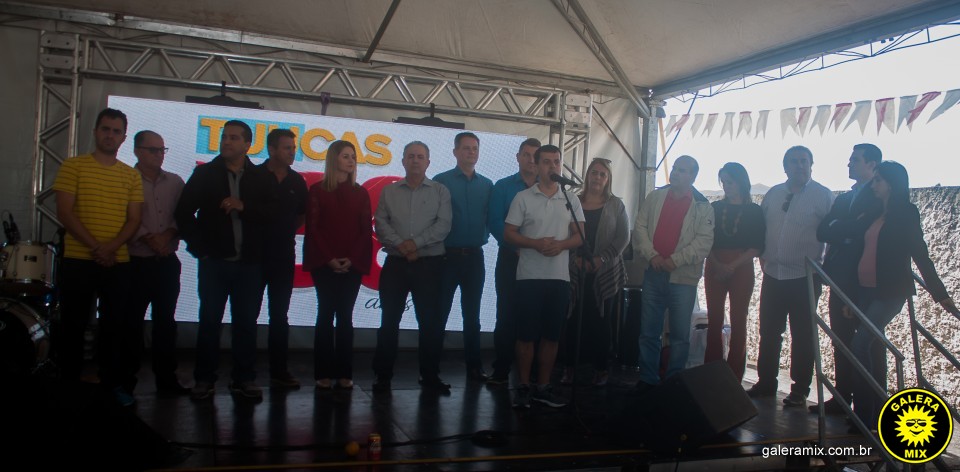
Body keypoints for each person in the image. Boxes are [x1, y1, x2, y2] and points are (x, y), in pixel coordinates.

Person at [848, 161, 956, 428]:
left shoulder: (906, 212)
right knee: (869, 347)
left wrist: (939, 293)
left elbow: (920, 253)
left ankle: (869, 413)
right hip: (865, 288)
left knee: (860, 345)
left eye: (878, 180)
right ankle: (868, 414)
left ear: (892, 184)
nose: (873, 185)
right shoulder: (874, 211)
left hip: (889, 291)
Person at [174, 120, 273, 401]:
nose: (226, 142)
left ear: (247, 144)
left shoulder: (261, 177)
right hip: (214, 263)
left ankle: (244, 378)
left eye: (233, 137)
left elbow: (272, 215)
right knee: (209, 322)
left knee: (246, 323)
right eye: (224, 136)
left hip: (249, 264)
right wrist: (200, 249)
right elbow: (183, 213)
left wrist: (244, 206)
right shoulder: (205, 174)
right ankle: (204, 379)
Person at [53, 108, 143, 406]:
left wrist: (111, 247)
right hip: (79, 260)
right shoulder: (73, 166)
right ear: (95, 131)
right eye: (105, 129)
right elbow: (65, 212)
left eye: (116, 131)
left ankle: (110, 386)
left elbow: (134, 220)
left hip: (117, 262)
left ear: (124, 138)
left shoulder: (131, 175)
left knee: (114, 328)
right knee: (73, 325)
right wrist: (97, 247)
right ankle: (68, 385)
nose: (110, 135)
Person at [748, 146, 833, 407]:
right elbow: (762, 228)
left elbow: (833, 236)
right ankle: (766, 382)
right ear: (785, 167)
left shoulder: (823, 196)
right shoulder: (774, 194)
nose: (800, 166)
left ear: (811, 164)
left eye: (804, 161)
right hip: (773, 274)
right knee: (769, 332)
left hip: (805, 277)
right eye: (794, 162)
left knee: (803, 336)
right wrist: (763, 256)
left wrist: (824, 268)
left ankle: (799, 389)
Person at [504, 144, 584, 409]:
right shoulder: (523, 197)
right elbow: (509, 233)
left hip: (559, 278)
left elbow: (580, 236)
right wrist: (535, 243)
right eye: (547, 162)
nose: (553, 166)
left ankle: (543, 386)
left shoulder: (570, 199)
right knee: (526, 335)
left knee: (552, 336)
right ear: (536, 166)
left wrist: (561, 245)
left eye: (556, 161)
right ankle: (523, 386)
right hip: (529, 277)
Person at [371, 141, 452, 393]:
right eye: (411, 156)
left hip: (429, 265)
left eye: (420, 156)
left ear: (428, 162)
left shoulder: (440, 191)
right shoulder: (389, 191)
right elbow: (380, 223)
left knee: (429, 323)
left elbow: (443, 226)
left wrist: (414, 244)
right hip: (395, 265)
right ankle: (383, 376)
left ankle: (430, 376)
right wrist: (402, 246)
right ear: (403, 161)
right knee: (389, 321)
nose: (415, 160)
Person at [631, 155, 714, 394]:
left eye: (683, 170)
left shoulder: (703, 206)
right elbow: (640, 227)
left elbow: (703, 243)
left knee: (679, 335)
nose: (676, 173)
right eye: (675, 168)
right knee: (649, 331)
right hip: (654, 272)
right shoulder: (655, 197)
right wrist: (653, 256)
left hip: (683, 279)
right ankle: (647, 379)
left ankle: (673, 383)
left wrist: (674, 261)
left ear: (693, 177)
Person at [812, 143, 882, 414]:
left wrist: (840, 228)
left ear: (871, 164)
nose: (849, 164)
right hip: (839, 279)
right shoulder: (843, 199)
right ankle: (842, 397)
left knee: (868, 344)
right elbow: (822, 231)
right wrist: (845, 230)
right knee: (839, 339)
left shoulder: (877, 196)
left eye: (855, 160)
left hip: (863, 282)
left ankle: (873, 405)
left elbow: (861, 231)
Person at [303, 140, 372, 390]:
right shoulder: (317, 190)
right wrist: (329, 258)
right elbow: (313, 228)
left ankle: (344, 372)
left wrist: (351, 259)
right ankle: (322, 372)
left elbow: (365, 231)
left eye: (353, 156)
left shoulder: (360, 193)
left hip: (352, 264)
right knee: (325, 314)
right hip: (324, 263)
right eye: (345, 156)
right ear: (334, 159)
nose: (351, 160)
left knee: (345, 316)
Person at [127, 130, 189, 395]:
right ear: (137, 151)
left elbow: (184, 216)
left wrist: (167, 236)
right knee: (131, 323)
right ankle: (126, 381)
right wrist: (148, 237)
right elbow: (122, 216)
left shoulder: (175, 182)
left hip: (167, 262)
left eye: (162, 150)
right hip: (135, 262)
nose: (159, 155)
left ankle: (167, 380)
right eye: (153, 150)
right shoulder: (126, 179)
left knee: (166, 323)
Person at [560, 158, 629, 387]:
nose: (597, 177)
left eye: (602, 174)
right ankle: (569, 367)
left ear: (608, 179)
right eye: (594, 173)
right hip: (574, 270)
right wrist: (575, 259)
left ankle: (601, 369)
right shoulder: (573, 201)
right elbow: (563, 232)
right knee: (571, 319)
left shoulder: (616, 204)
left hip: (605, 271)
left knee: (601, 321)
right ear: (587, 175)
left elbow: (623, 237)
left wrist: (602, 258)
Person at [434, 132, 494, 382]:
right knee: (439, 314)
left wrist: (483, 234)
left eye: (475, 148)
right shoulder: (441, 181)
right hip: (446, 257)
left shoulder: (487, 185)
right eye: (466, 148)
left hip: (474, 258)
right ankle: (431, 369)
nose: (471, 152)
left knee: (472, 316)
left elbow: (491, 218)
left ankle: (474, 367)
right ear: (455, 152)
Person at [703, 162, 764, 382]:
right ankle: (712, 370)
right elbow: (706, 239)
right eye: (724, 182)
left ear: (741, 182)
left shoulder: (755, 211)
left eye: (730, 182)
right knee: (714, 318)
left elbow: (757, 246)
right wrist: (717, 263)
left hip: (742, 266)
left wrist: (732, 265)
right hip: (714, 263)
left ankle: (734, 374)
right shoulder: (715, 208)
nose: (727, 186)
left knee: (739, 319)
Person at [486, 138, 540, 385]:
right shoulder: (503, 186)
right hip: (510, 257)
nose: (531, 160)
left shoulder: (550, 188)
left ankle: (532, 370)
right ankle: (501, 368)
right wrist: (516, 245)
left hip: (539, 260)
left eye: (535, 156)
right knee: (506, 313)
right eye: (526, 154)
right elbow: (495, 221)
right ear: (518, 157)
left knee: (534, 314)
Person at [258, 128, 308, 389]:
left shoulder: (297, 181)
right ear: (272, 149)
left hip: (283, 256)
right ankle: (243, 374)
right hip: (253, 257)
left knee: (279, 316)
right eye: (287, 147)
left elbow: (301, 215)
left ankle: (279, 371)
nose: (292, 152)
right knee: (247, 316)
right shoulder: (253, 176)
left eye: (293, 147)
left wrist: (284, 229)